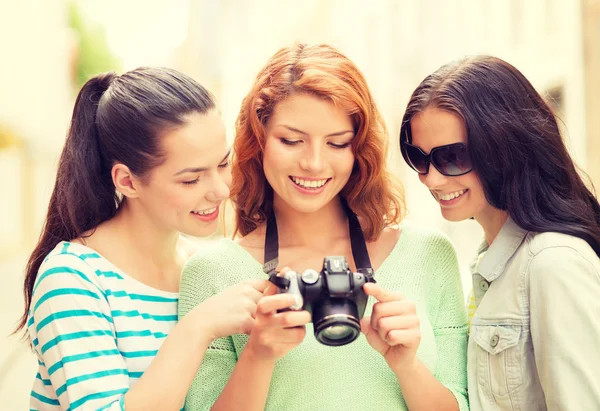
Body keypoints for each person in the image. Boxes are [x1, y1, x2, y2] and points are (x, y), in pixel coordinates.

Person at [178, 43, 469, 411]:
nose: (314, 163)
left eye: (337, 143)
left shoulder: (428, 253)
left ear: (358, 149)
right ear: (259, 141)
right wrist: (258, 355)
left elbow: (462, 403)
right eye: (291, 140)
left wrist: (407, 365)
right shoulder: (212, 273)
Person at [16, 67, 268, 410]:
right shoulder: (72, 277)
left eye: (223, 164)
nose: (221, 190)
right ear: (128, 182)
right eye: (191, 179)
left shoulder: (205, 268)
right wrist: (198, 327)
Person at [399, 55, 600, 410]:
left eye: (453, 157)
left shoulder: (552, 263)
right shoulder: (491, 262)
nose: (431, 178)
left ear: (504, 147)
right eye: (419, 157)